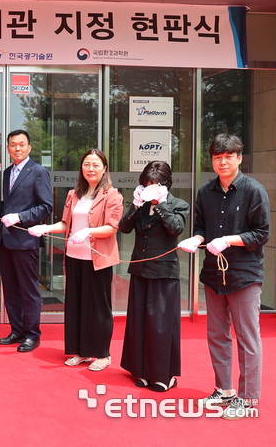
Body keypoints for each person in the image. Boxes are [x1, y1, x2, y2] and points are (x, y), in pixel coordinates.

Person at [179, 134, 270, 420]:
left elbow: (262, 233)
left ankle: (247, 397)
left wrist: (230, 239)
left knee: (247, 338)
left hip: (244, 274)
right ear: (212, 160)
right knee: (217, 335)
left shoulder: (254, 191)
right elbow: (201, 226)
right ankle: (224, 389)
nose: (223, 162)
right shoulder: (205, 192)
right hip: (213, 274)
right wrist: (195, 239)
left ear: (239, 158)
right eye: (218, 157)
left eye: (229, 156)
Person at [29, 149, 122, 370]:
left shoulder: (112, 195)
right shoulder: (74, 194)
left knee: (98, 306)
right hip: (73, 256)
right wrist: (44, 227)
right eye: (87, 164)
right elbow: (65, 225)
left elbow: (112, 227)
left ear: (104, 169)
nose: (91, 169)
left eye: (96, 165)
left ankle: (102, 354)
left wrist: (88, 232)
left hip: (96, 259)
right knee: (76, 305)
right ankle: (81, 351)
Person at [0, 129, 53, 352]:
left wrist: (21, 217)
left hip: (25, 241)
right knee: (11, 289)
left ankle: (32, 335)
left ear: (29, 147)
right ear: (7, 148)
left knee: (28, 289)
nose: (17, 149)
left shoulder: (38, 171)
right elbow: (6, 207)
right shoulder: (7, 172)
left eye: (22, 145)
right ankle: (17, 330)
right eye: (13, 145)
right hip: (6, 241)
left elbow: (46, 207)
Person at [118, 161, 189, 391]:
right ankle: (141, 371)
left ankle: (164, 375)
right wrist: (136, 205)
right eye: (146, 184)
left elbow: (176, 228)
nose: (149, 188)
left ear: (166, 185)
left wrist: (160, 203)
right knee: (139, 322)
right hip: (140, 270)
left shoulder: (178, 204)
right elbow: (124, 227)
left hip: (164, 273)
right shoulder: (140, 205)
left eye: (154, 185)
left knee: (160, 325)